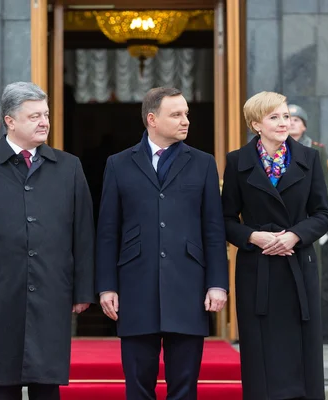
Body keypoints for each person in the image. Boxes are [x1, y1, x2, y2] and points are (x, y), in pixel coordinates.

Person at [0, 81, 95, 400]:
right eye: (34, 116)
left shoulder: (68, 167)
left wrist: (84, 288)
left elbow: (83, 233)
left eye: (45, 114)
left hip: (51, 290)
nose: (44, 122)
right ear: (10, 121)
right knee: (3, 383)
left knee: (47, 384)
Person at [96, 87, 229, 400]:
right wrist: (106, 287)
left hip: (188, 287)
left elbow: (213, 229)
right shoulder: (118, 164)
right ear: (152, 119)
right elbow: (107, 231)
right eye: (177, 114)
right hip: (134, 288)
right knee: (138, 387)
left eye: (186, 114)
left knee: (184, 388)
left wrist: (217, 285)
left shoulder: (203, 163)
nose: (185, 121)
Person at [222, 91, 328, 400]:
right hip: (257, 271)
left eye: (285, 116)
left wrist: (295, 235)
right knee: (261, 357)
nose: (284, 122)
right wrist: (252, 237)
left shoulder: (309, 159)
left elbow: (323, 214)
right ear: (256, 124)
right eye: (274, 117)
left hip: (298, 267)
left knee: (302, 356)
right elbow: (226, 219)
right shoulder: (236, 162)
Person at [288, 103, 328, 280]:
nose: (291, 123)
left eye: (296, 120)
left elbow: (325, 187)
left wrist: (326, 224)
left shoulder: (316, 149)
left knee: (311, 273)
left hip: (310, 218)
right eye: (288, 119)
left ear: (304, 125)